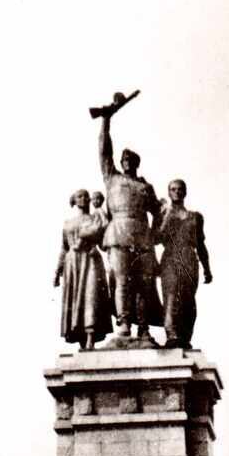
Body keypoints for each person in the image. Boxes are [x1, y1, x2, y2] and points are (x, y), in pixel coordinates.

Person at [98, 108, 163, 340]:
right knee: (122, 281)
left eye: (130, 160)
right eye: (123, 160)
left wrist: (156, 233)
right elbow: (104, 152)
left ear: (136, 162)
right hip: (118, 234)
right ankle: (124, 322)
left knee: (145, 284)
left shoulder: (146, 187)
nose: (126, 162)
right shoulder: (112, 178)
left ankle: (144, 327)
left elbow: (159, 212)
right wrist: (105, 121)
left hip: (142, 237)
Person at [154, 179, 212, 349]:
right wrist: (166, 217)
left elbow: (201, 244)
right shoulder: (163, 214)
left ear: (185, 192)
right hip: (171, 257)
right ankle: (172, 335)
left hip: (189, 259)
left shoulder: (195, 217)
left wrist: (207, 268)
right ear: (169, 192)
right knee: (171, 296)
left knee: (188, 300)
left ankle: (185, 337)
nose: (177, 192)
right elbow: (156, 238)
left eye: (180, 189)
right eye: (173, 189)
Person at [54, 190, 114, 351]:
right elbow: (64, 248)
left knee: (91, 297)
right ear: (73, 200)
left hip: (90, 259)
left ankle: (90, 337)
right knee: (76, 302)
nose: (84, 199)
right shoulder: (68, 223)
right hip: (72, 264)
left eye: (86, 196)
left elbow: (104, 239)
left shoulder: (96, 217)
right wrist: (57, 272)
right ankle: (81, 338)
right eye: (80, 196)